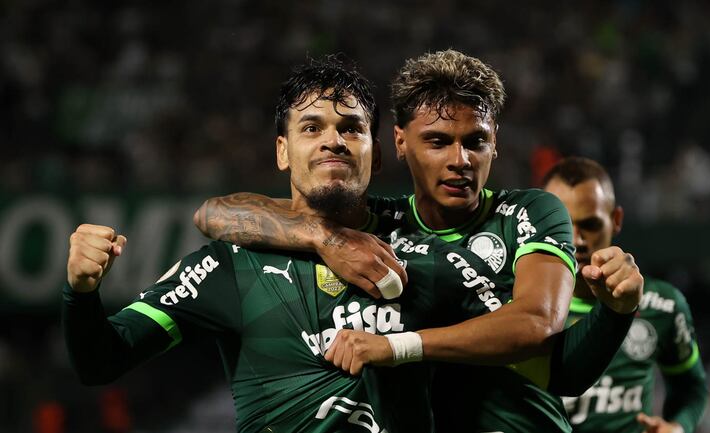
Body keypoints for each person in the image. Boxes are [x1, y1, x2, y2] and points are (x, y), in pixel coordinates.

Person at [194, 50, 645, 432]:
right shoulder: (379, 230)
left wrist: (617, 312)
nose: (460, 160)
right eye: (437, 141)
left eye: (476, 141)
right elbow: (214, 213)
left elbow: (540, 329)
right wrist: (323, 237)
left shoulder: (529, 212)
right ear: (400, 142)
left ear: (496, 143)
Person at [63, 56, 516, 433]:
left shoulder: (424, 238)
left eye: (352, 128)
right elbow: (102, 361)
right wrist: (81, 293)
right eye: (312, 128)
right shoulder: (232, 263)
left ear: (376, 155)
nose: (333, 141)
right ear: (283, 151)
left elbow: (524, 341)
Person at [542, 157, 708, 433]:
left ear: (615, 220)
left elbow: (692, 388)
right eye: (562, 223)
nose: (575, 239)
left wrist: (678, 427)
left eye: (590, 224)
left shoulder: (662, 305)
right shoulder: (517, 304)